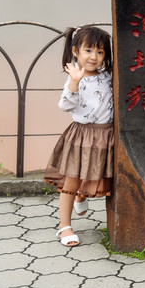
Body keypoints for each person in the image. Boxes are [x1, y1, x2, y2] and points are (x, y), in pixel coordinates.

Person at [44, 25, 114, 247]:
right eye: (89, 50)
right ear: (75, 51)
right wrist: (74, 81)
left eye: (101, 52)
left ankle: (81, 196)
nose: (94, 57)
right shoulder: (75, 78)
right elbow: (64, 105)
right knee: (71, 180)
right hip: (82, 134)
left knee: (99, 175)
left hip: (107, 134)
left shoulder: (108, 76)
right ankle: (65, 226)